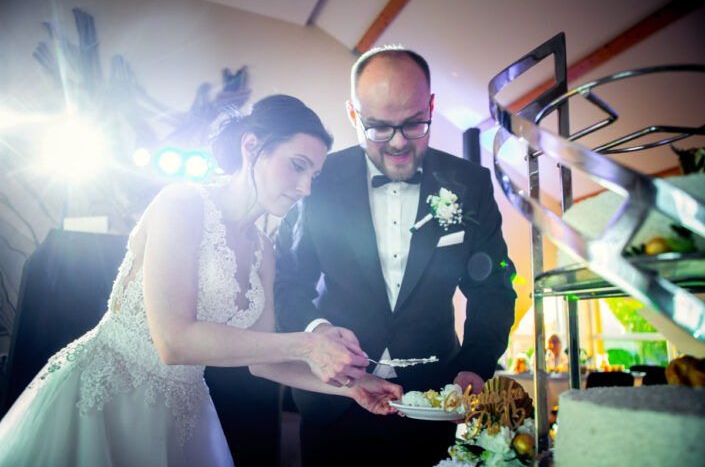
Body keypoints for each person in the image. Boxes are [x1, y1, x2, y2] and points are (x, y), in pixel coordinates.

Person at [0, 94, 402, 467]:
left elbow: (263, 362)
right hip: (106, 398)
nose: (306, 188)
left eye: (314, 174)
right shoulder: (181, 203)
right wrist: (308, 344)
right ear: (251, 146)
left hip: (181, 411)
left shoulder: (264, 250)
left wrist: (352, 386)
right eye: (298, 166)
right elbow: (173, 342)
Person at [275, 47, 517, 466]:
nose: (400, 143)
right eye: (379, 128)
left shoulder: (470, 184)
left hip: (434, 404)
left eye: (414, 123)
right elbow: (287, 284)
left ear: (432, 106)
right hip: (334, 401)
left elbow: (493, 288)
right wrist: (318, 332)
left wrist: (476, 365)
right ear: (353, 115)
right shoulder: (317, 180)